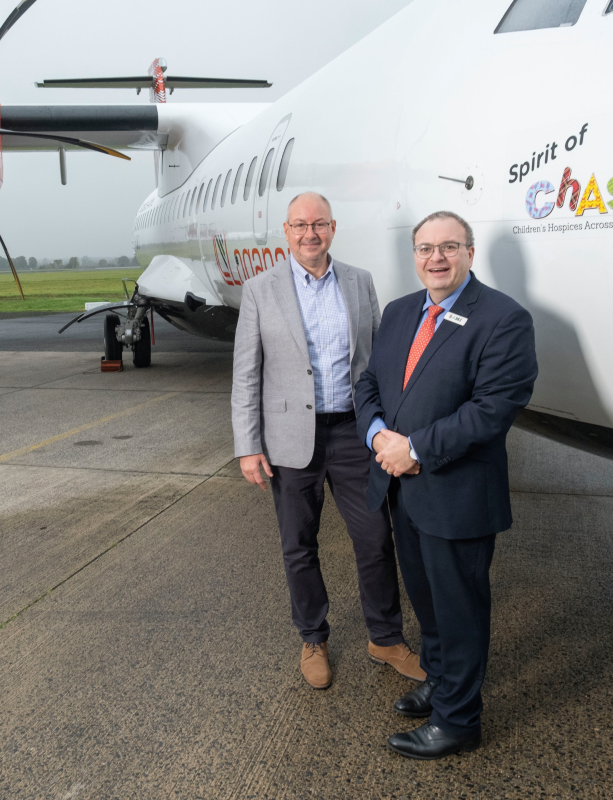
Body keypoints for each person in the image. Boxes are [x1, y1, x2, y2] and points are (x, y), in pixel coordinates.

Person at [355, 211, 537, 759]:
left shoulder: (504, 319)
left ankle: (459, 720)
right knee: (427, 600)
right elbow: (369, 382)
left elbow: (491, 410)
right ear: (415, 255)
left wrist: (413, 449)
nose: (436, 257)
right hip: (402, 489)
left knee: (459, 607)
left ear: (470, 253)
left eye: (449, 247)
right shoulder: (401, 311)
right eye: (426, 248)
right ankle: (440, 680)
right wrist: (379, 435)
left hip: (456, 493)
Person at [231, 192, 424, 690]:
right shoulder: (260, 290)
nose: (309, 234)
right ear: (286, 230)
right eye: (299, 225)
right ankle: (312, 637)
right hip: (289, 439)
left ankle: (385, 637)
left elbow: (380, 361)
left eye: (318, 224)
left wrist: (391, 426)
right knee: (299, 544)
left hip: (353, 432)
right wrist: (248, 445)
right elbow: (246, 375)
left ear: (333, 229)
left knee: (376, 539)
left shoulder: (359, 282)